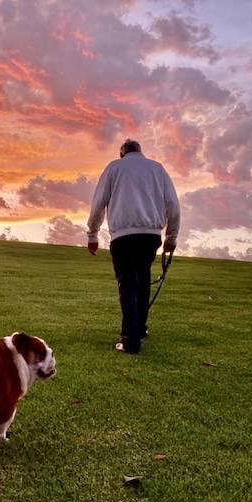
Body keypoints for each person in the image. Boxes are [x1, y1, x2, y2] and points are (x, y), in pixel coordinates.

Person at [87, 139, 180, 354]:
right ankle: (140, 329)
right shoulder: (157, 169)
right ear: (140, 152)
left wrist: (92, 234)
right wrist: (171, 237)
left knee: (127, 281)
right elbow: (173, 204)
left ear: (122, 153)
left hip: (123, 235)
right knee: (143, 278)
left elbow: (99, 203)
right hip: (150, 235)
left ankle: (130, 339)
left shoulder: (114, 167)